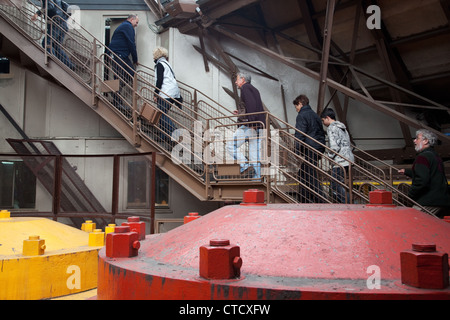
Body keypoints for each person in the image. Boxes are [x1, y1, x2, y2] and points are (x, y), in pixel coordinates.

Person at [398, 129, 450, 218]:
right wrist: (407, 172)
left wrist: (411, 193)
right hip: (442, 199)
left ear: (425, 141)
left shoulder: (422, 157)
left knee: (412, 220)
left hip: (430, 201)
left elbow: (422, 180)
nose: (414, 141)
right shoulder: (435, 156)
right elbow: (432, 174)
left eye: (417, 138)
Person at [226, 73, 265, 179]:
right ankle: (258, 177)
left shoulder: (245, 88)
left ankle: (245, 164)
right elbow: (253, 105)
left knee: (230, 146)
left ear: (243, 79)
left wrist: (252, 123)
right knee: (254, 154)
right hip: (260, 125)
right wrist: (240, 112)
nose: (235, 82)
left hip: (251, 125)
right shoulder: (255, 89)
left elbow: (251, 106)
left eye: (237, 79)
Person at [294, 94, 326, 203]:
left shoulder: (302, 115)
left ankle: (320, 199)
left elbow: (300, 133)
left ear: (300, 104)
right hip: (318, 146)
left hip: (310, 147)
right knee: (304, 173)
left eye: (296, 106)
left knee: (310, 175)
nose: (296, 109)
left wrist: (297, 150)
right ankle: (305, 199)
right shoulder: (315, 115)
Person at [320, 108, 354, 203]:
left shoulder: (331, 128)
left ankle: (348, 202)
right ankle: (347, 201)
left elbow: (334, 147)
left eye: (323, 120)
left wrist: (328, 156)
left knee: (334, 185)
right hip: (348, 159)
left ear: (327, 118)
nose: (323, 123)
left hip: (340, 161)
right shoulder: (342, 127)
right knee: (339, 183)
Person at [107, 14, 139, 110]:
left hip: (122, 55)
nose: (136, 25)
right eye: (136, 22)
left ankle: (114, 91)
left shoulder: (124, 26)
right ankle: (116, 99)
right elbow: (131, 42)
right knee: (120, 77)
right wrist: (135, 59)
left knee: (130, 74)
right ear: (132, 19)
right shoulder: (127, 26)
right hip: (118, 54)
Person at [31, 0, 74, 70]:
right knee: (56, 46)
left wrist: (37, 14)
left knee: (46, 43)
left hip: (56, 25)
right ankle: (69, 65)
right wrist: (63, 19)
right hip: (62, 25)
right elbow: (68, 9)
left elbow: (50, 6)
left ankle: (54, 62)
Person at [153, 47, 182, 143]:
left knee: (161, 114)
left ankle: (175, 133)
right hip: (173, 93)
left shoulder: (160, 65)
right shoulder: (167, 64)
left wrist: (155, 93)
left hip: (166, 93)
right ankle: (163, 136)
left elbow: (159, 80)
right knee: (162, 113)